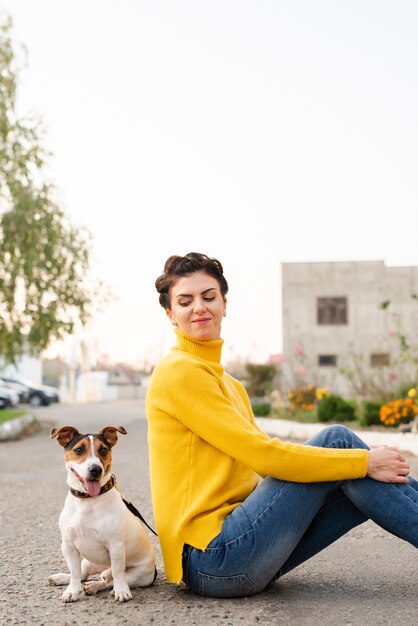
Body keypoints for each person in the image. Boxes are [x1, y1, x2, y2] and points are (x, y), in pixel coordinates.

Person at [146, 252, 418, 598]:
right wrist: (364, 461)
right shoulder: (179, 371)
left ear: (224, 304)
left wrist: (359, 468)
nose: (199, 307)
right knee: (338, 442)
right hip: (213, 558)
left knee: (359, 484)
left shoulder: (229, 384)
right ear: (171, 314)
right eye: (185, 301)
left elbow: (264, 468)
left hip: (242, 547)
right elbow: (265, 457)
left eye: (208, 296)